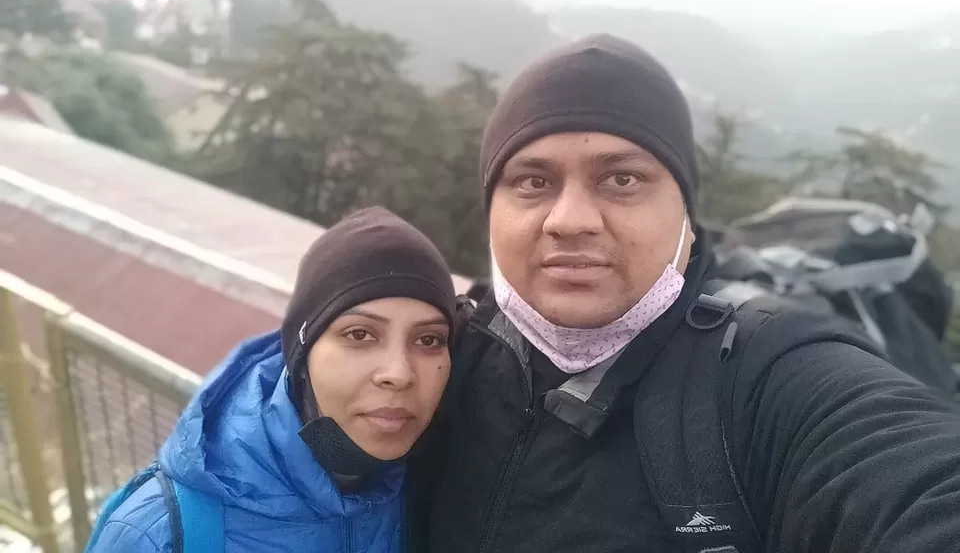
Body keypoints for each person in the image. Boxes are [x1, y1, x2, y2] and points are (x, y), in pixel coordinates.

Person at [413, 34, 960, 552]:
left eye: (621, 179)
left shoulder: (763, 379)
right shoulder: (445, 354)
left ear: (687, 218)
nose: (569, 220)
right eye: (533, 181)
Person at [87, 207, 457, 553]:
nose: (399, 373)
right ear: (303, 352)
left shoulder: (428, 485)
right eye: (360, 335)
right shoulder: (156, 533)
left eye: (428, 340)